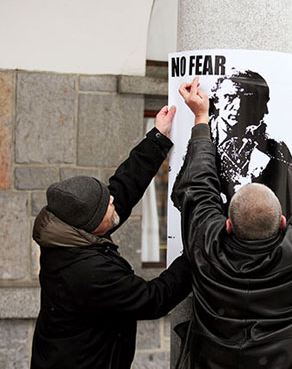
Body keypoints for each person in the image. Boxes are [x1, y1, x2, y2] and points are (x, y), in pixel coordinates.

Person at [171, 77, 292, 368]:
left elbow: (198, 189)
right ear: (282, 222)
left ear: (227, 224)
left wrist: (200, 118)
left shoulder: (208, 249)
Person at [31, 106, 192, 369]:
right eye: (106, 205)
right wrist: (199, 250)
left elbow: (121, 189)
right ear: (91, 225)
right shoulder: (88, 271)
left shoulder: (70, 232)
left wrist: (157, 139)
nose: (113, 202)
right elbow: (153, 299)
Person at [208, 69, 292, 219]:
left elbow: (290, 201)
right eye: (230, 97)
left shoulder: (275, 150)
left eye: (249, 100)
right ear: (216, 101)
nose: (238, 106)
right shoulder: (201, 141)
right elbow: (184, 194)